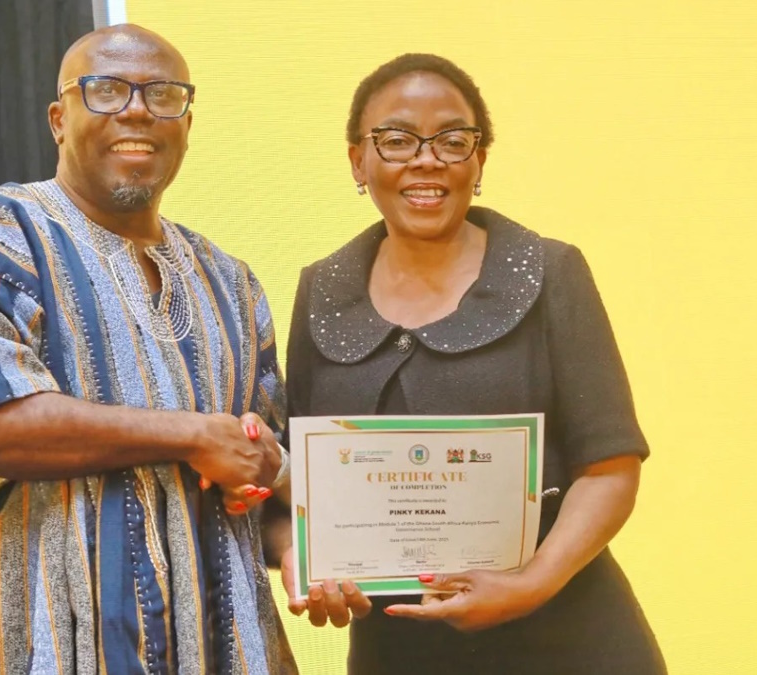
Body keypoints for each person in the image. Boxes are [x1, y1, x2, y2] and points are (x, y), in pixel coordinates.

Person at [0, 24, 297, 675]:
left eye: (162, 94)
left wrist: (296, 548)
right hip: (20, 650)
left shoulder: (230, 282)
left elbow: (258, 471)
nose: (137, 110)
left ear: (187, 123)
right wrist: (192, 434)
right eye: (106, 90)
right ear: (59, 120)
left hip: (214, 649)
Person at [276, 54, 666, 673]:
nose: (426, 159)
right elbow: (301, 477)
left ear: (479, 160)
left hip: (566, 642)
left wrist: (532, 583)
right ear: (358, 161)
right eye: (397, 140)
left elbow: (610, 468)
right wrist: (303, 558)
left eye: (453, 141)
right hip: (397, 652)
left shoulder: (550, 272)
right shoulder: (323, 291)